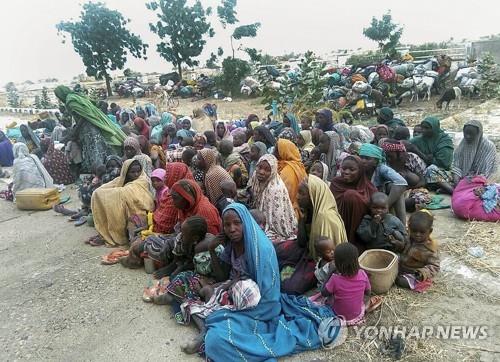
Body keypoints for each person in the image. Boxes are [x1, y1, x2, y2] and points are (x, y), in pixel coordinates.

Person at [203, 203, 339, 361]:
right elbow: (223, 276)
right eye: (227, 225)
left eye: (237, 223)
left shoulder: (261, 250)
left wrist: (236, 295)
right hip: (238, 293)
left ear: (245, 222)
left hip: (262, 305)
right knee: (207, 299)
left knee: (216, 337)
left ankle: (212, 333)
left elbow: (268, 295)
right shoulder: (232, 244)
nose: (232, 229)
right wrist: (213, 251)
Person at [278, 175, 347, 295]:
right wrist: (302, 220)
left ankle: (290, 272)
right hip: (309, 250)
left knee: (289, 286)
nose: (297, 197)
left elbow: (324, 258)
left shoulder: (325, 218)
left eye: (302, 193)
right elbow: (301, 242)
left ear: (313, 195)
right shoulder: (311, 210)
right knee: (277, 250)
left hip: (322, 262)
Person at [54, 86, 126, 172]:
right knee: (100, 148)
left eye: (58, 96)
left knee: (96, 151)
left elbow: (84, 116)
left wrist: (75, 131)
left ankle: (100, 170)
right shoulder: (76, 96)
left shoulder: (70, 101)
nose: (59, 99)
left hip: (89, 129)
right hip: (92, 125)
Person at [90, 160, 154, 246]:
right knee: (107, 200)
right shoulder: (121, 179)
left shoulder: (142, 180)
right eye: (132, 172)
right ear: (126, 172)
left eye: (138, 171)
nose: (136, 174)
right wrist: (98, 192)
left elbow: (124, 192)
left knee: (116, 203)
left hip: (138, 212)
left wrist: (106, 195)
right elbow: (108, 186)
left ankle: (114, 235)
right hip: (127, 209)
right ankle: (105, 234)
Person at [330, 155, 377, 246]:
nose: (346, 172)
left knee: (350, 195)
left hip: (358, 230)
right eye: (344, 168)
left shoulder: (370, 189)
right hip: (337, 226)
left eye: (352, 170)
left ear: (360, 171)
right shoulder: (336, 183)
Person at [249, 154, 297, 242]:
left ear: (273, 172)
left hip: (274, 224)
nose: (261, 172)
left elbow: (277, 220)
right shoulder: (255, 178)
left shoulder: (275, 189)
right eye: (259, 167)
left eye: (267, 170)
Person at [321, 243, 371, 325]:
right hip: (357, 315)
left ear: (337, 263)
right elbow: (368, 292)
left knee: (327, 298)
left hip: (338, 316)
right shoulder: (363, 274)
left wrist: (330, 272)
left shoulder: (335, 279)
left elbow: (323, 293)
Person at [359, 144, 408, 224]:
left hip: (378, 200)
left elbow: (402, 182)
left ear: (376, 162)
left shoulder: (381, 168)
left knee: (395, 187)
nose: (363, 161)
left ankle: (402, 226)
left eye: (367, 158)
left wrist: (385, 204)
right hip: (362, 199)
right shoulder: (356, 167)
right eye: (361, 157)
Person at [393, 211, 440, 291]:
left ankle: (419, 283)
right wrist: (399, 245)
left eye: (422, 232)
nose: (418, 234)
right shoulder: (409, 239)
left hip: (415, 273)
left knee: (400, 281)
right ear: (410, 228)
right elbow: (403, 250)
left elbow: (435, 266)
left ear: (430, 231)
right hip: (402, 266)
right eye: (414, 231)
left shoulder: (430, 249)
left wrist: (422, 273)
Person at [408, 117, 454, 194]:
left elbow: (444, 163)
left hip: (443, 172)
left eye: (427, 128)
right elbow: (407, 144)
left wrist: (420, 153)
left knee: (431, 170)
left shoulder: (444, 140)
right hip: (425, 172)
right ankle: (438, 187)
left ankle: (451, 191)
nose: (423, 130)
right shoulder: (419, 139)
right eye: (423, 128)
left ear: (435, 128)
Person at [451, 120, 497, 184]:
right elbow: (456, 166)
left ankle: (453, 190)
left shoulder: (488, 146)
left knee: (479, 190)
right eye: (466, 133)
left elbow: (485, 173)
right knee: (434, 170)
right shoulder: (463, 144)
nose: (468, 136)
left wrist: (468, 180)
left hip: (479, 180)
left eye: (471, 134)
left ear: (479, 134)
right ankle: (456, 189)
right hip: (462, 178)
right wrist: (456, 179)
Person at [275, 139, 307, 216]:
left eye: (276, 149)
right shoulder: (298, 166)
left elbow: (281, 196)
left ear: (283, 152)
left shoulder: (288, 171)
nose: (273, 152)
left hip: (289, 212)